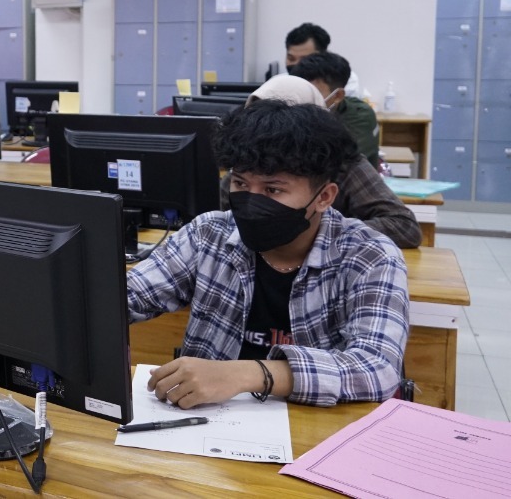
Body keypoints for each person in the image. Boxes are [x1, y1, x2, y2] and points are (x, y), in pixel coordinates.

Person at [130, 100, 409, 408]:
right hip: (205, 421)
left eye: (273, 190)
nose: (251, 202)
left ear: (324, 197)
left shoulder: (370, 256)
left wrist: (248, 374)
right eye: (240, 183)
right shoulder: (208, 234)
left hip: (315, 427)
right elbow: (129, 296)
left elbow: (378, 369)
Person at [221, 75, 421, 248]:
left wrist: (318, 233)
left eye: (272, 189)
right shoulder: (244, 166)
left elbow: (404, 227)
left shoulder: (344, 163)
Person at [288, 52, 381, 169]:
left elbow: (335, 166)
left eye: (314, 93)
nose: (304, 99)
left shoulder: (360, 116)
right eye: (301, 91)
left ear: (337, 96)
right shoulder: (292, 110)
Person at [284, 22, 361, 96]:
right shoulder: (281, 81)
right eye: (291, 59)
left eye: (304, 60)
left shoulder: (343, 80)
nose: (297, 64)